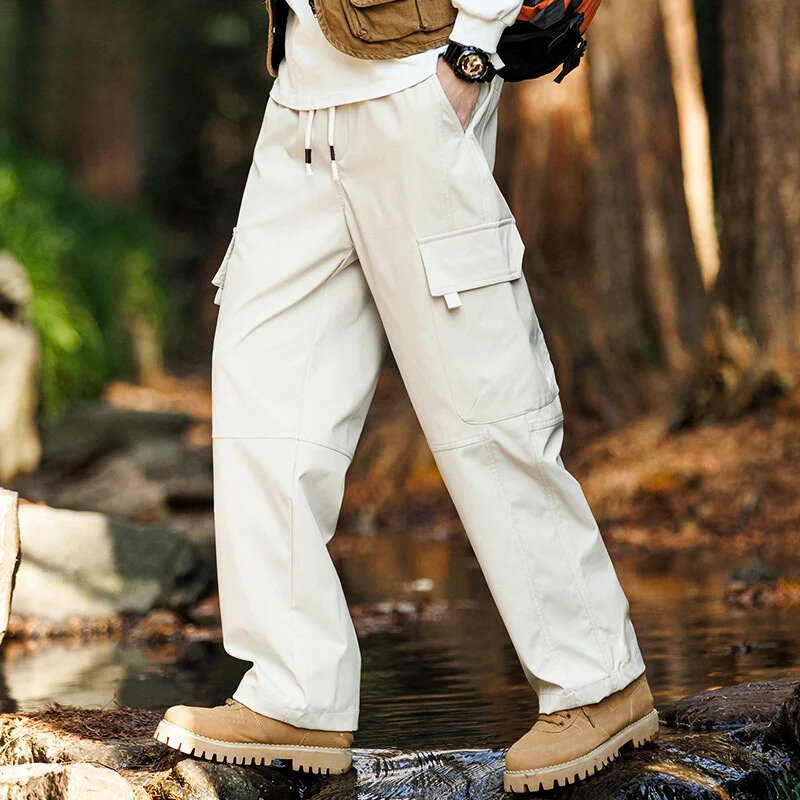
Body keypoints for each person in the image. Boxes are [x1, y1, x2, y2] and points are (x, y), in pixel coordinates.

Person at [154, 0, 658, 791]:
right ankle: (297, 691)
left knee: (483, 397)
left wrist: (474, 51)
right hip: (299, 96)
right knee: (263, 393)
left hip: (417, 81)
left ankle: (599, 679)